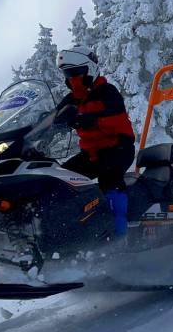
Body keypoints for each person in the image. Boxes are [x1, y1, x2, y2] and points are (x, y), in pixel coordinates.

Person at [55, 46, 135, 237]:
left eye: (76, 72)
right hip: (90, 155)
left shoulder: (107, 92)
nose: (72, 78)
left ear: (89, 70)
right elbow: (53, 119)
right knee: (59, 180)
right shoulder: (72, 99)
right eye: (67, 73)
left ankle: (118, 236)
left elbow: (117, 118)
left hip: (118, 149)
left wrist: (91, 119)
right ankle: (67, 231)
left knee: (109, 181)